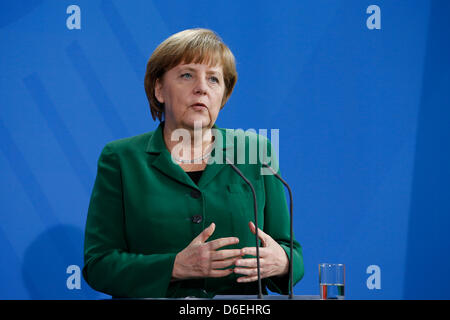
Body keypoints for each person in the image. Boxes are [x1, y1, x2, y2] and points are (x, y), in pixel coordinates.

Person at [82, 28, 304, 298]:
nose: (201, 87)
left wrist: (283, 262)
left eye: (213, 79)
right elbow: (98, 265)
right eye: (187, 75)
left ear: (223, 95)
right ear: (159, 89)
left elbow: (290, 251)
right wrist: (174, 267)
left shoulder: (255, 152)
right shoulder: (121, 158)